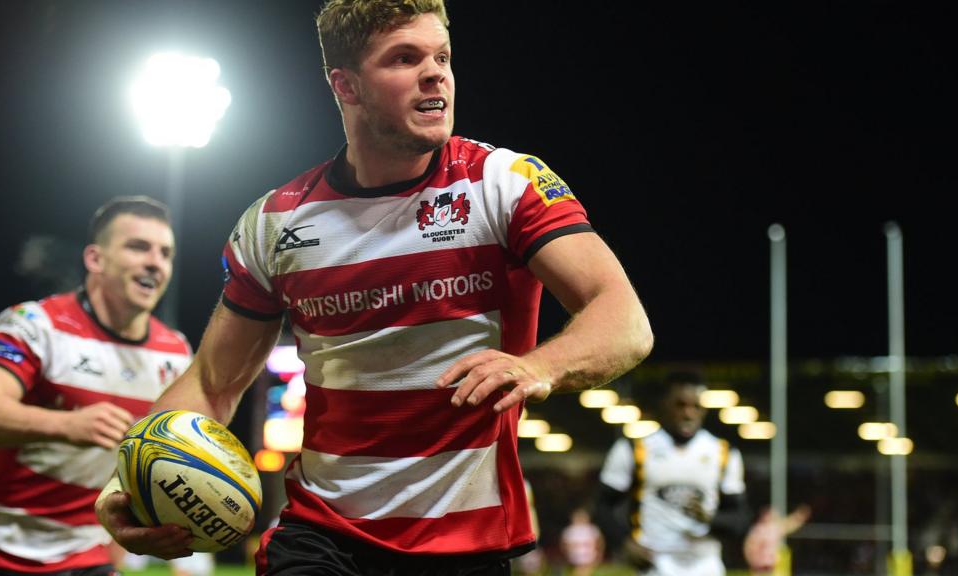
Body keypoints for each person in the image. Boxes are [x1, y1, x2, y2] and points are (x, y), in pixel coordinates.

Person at [97, 1, 654, 574]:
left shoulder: (503, 186)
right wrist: (128, 481)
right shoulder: (275, 223)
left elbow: (623, 320)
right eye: (404, 58)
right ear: (346, 86)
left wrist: (540, 367)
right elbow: (213, 383)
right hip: (320, 536)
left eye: (442, 56)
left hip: (463, 543)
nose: (435, 73)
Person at [0, 197, 193, 575]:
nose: (155, 262)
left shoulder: (176, 353)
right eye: (138, 246)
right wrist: (68, 424)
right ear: (95, 259)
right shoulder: (34, 323)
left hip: (88, 557)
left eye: (165, 253)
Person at [595, 372, 748, 576]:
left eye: (696, 407)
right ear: (664, 404)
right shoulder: (634, 448)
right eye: (680, 405)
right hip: (655, 563)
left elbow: (740, 519)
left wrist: (710, 519)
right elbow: (601, 506)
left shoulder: (723, 453)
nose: (688, 414)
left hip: (705, 564)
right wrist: (624, 543)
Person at [560, 508, 604, 576]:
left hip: (582, 554)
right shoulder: (571, 530)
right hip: (584, 554)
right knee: (584, 569)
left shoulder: (569, 530)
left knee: (585, 569)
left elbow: (564, 544)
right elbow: (599, 542)